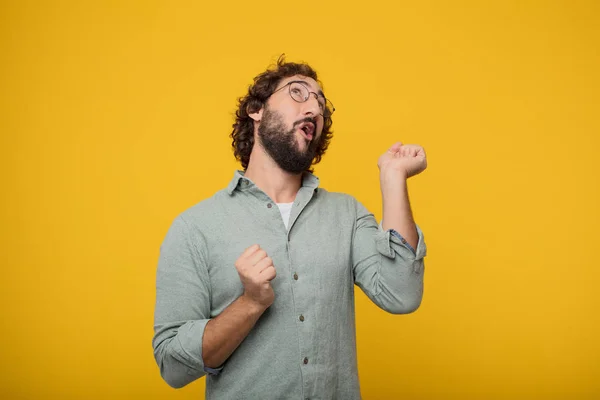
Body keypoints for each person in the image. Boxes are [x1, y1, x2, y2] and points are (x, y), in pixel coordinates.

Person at [152, 55, 428, 400]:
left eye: (321, 104)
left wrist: (393, 178)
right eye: (299, 93)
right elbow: (173, 367)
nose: (314, 107)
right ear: (257, 110)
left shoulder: (347, 214)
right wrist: (250, 303)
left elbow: (402, 294)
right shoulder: (195, 227)